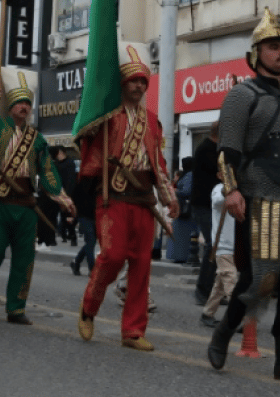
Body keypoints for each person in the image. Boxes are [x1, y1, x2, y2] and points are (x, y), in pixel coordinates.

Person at [205, 9, 280, 385]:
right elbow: (228, 153)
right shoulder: (241, 96)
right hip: (261, 195)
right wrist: (233, 190)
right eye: (274, 47)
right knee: (261, 280)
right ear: (256, 54)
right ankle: (225, 331)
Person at [75, 43, 177, 351]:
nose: (138, 85)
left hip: (144, 200)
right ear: (122, 82)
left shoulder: (152, 122)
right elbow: (83, 135)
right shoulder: (107, 117)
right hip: (114, 197)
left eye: (142, 81)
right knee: (113, 256)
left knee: (142, 264)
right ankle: (89, 306)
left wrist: (169, 197)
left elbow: (158, 165)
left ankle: (133, 330)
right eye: (133, 80)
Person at [0, 66, 75, 323]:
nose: (24, 107)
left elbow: (49, 173)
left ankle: (16, 308)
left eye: (28, 102)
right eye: (19, 102)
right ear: (10, 106)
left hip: (27, 206)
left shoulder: (37, 140)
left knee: (24, 260)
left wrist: (64, 199)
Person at [190, 122, 221, 305]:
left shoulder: (212, 149)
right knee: (212, 245)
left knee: (217, 247)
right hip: (203, 204)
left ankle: (213, 291)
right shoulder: (206, 149)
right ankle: (203, 290)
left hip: (210, 205)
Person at [200, 176, 236, 329]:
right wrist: (226, 189)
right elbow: (218, 201)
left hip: (235, 247)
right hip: (223, 246)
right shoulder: (218, 189)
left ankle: (207, 313)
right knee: (231, 281)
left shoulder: (241, 192)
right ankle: (237, 317)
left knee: (220, 285)